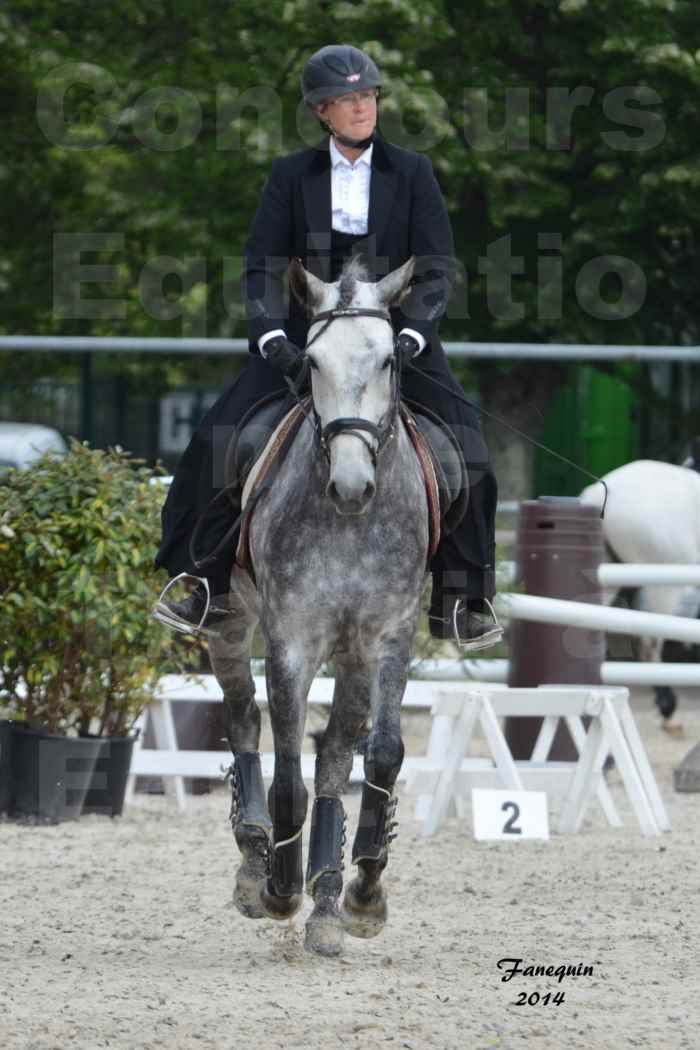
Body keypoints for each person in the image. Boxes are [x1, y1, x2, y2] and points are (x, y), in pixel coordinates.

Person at [154, 44, 501, 650]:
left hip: (393, 338)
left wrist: (414, 331)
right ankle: (201, 582)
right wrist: (269, 336)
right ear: (322, 111)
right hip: (305, 341)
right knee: (216, 441)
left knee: (470, 453)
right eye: (348, 100)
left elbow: (438, 267)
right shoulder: (291, 176)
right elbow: (261, 265)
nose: (362, 107)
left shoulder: (413, 172)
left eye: (368, 96)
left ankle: (463, 598)